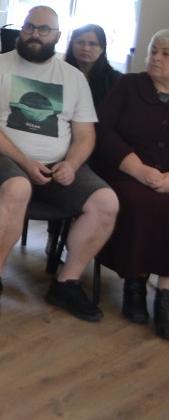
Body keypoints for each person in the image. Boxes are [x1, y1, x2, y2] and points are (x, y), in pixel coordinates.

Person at [0, 5, 118, 321]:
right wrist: (24, 161)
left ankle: (66, 282)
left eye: (43, 29)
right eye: (29, 27)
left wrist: (72, 164)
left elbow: (85, 135)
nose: (34, 34)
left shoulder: (73, 78)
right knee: (17, 187)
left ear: (58, 36)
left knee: (106, 202)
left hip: (58, 165)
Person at [92, 29, 169, 338]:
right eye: (154, 51)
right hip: (124, 172)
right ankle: (134, 282)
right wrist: (137, 169)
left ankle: (165, 292)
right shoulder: (129, 85)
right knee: (139, 202)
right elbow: (103, 130)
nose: (156, 58)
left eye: (166, 54)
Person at [65, 23, 120, 109]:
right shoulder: (60, 73)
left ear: (102, 49)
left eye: (93, 44)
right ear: (72, 45)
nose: (85, 48)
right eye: (80, 42)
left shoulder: (114, 80)